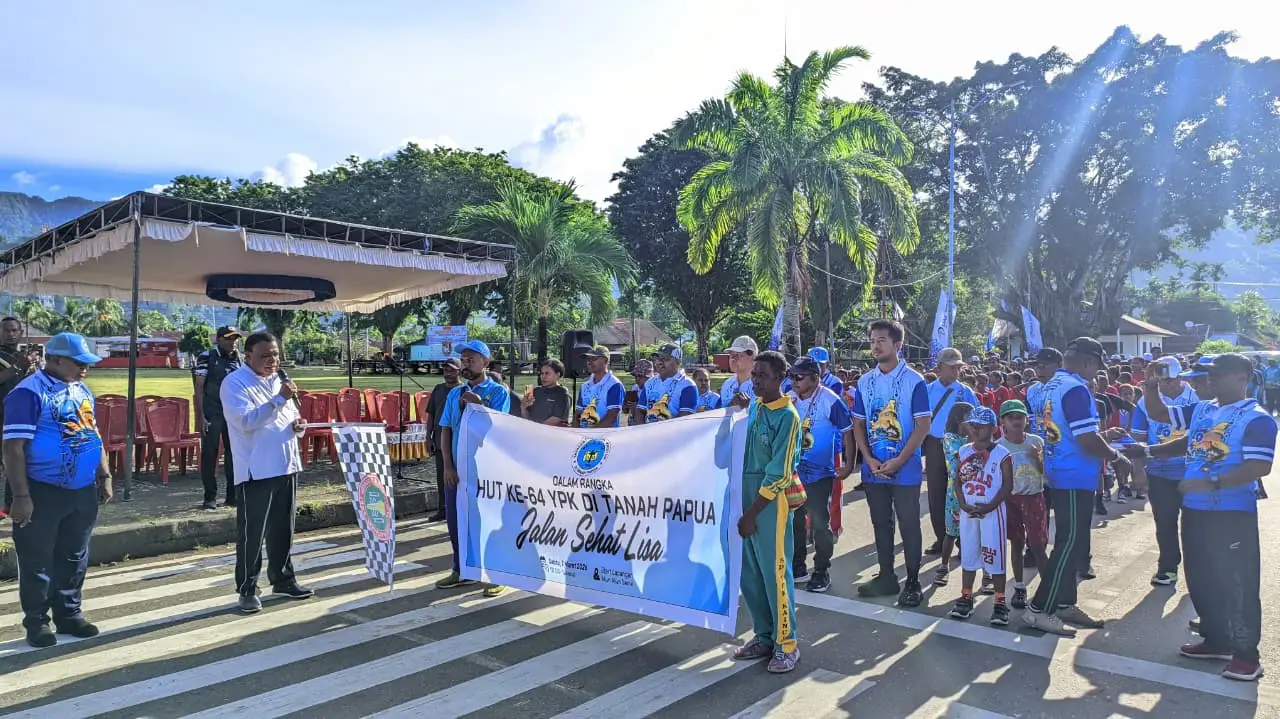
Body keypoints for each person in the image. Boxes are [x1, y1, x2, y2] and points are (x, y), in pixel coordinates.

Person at [1123, 353, 1274, 682]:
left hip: (1231, 513)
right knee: (1201, 577)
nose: (1206, 383)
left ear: (1240, 377)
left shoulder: (1257, 418)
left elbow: (1259, 467)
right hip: (1196, 510)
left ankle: (1247, 656)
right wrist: (1150, 391)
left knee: (1238, 584)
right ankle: (1217, 640)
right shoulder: (1204, 409)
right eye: (1204, 377)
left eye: (1214, 376)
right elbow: (1167, 420)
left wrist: (1210, 482)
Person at [3, 333, 112, 648]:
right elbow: (13, 449)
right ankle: (37, 621)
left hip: (80, 490)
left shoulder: (81, 390)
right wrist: (21, 497)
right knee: (38, 559)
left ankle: (69, 613)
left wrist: (103, 474)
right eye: (79, 363)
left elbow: (94, 433)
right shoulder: (28, 393)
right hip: (41, 489)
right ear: (55, 360)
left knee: (74, 554)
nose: (84, 369)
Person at [1022, 337, 1130, 636]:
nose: (1097, 373)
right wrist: (1117, 456)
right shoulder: (1075, 389)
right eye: (1097, 367)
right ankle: (1040, 608)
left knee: (1073, 541)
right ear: (1088, 362)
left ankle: (1065, 601)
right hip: (1073, 474)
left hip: (1057, 470)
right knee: (1069, 543)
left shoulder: (1045, 386)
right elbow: (1086, 438)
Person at [219, 332, 312, 614]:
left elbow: (291, 416)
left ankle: (283, 578)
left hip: (286, 464)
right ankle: (247, 588)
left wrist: (299, 426)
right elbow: (247, 421)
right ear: (248, 356)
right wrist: (278, 400)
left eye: (275, 354)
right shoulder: (234, 383)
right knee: (252, 533)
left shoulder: (280, 380)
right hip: (256, 470)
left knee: (283, 529)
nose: (272, 361)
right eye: (265, 356)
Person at [729, 350, 801, 674]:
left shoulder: (788, 416)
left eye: (763, 376)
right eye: (754, 374)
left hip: (769, 503)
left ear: (780, 379)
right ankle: (764, 635)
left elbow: (780, 472)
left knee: (775, 573)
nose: (755, 380)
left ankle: (787, 643)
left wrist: (752, 513)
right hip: (744, 496)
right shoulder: (756, 406)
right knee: (750, 572)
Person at [851, 319, 931, 607]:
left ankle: (912, 580)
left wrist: (900, 459)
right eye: (872, 340)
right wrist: (868, 459)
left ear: (898, 345)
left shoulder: (914, 380)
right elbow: (858, 424)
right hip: (874, 468)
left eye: (881, 340)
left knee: (909, 524)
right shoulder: (864, 381)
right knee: (881, 523)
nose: (875, 345)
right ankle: (886, 576)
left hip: (905, 468)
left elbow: (923, 425)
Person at [438, 339, 512, 595]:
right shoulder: (454, 393)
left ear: (485, 362)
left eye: (471, 359)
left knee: (487, 520)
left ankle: (495, 573)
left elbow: (497, 429)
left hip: (485, 470)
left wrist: (478, 404)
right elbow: (446, 429)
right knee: (456, 520)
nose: (466, 364)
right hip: (458, 469)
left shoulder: (498, 392)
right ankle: (461, 569)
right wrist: (447, 465)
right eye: (464, 360)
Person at [1129, 357, 1197, 587]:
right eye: (1161, 381)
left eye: (1170, 380)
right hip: (1160, 472)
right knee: (1165, 523)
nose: (1165, 385)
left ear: (1181, 377)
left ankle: (1198, 572)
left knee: (1195, 525)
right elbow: (1137, 438)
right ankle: (1168, 568)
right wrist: (1138, 471)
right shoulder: (1144, 402)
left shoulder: (1198, 398)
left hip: (1193, 473)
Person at [786, 357, 853, 593]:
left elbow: (848, 431)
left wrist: (848, 463)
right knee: (794, 522)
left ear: (815, 378)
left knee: (819, 524)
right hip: (793, 472)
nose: (793, 381)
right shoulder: (790, 398)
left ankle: (822, 571)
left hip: (820, 474)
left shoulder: (830, 401)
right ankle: (797, 567)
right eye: (791, 376)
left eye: (799, 377)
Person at [948, 406, 1013, 625]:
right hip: (969, 511)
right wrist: (962, 503)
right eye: (971, 425)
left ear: (993, 428)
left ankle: (1000, 602)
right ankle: (966, 596)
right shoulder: (964, 451)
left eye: (979, 426)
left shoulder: (1001, 453)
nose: (974, 429)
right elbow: (957, 480)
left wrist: (990, 506)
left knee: (994, 555)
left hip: (992, 512)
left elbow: (1007, 485)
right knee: (968, 553)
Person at [924, 348, 979, 555]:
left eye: (959, 367)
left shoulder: (966, 392)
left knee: (962, 492)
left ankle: (964, 541)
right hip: (935, 444)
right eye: (952, 367)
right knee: (937, 493)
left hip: (961, 446)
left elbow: (977, 419)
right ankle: (942, 538)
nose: (956, 371)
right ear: (939, 368)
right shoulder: (927, 391)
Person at [996, 400, 1049, 610]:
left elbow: (1046, 472)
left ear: (1027, 420)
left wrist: (1038, 459)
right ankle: (1019, 586)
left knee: (1038, 545)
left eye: (1020, 417)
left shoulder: (1036, 442)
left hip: (1035, 497)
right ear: (1003, 422)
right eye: (1011, 418)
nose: (1016, 421)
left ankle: (1048, 587)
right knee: (1016, 543)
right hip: (1011, 499)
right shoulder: (999, 446)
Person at [194, 326, 243, 510]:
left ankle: (233, 496)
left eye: (235, 339)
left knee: (234, 454)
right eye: (229, 339)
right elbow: (199, 387)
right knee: (209, 454)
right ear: (219, 339)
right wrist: (201, 416)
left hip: (233, 412)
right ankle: (210, 497)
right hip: (212, 411)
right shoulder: (206, 356)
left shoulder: (239, 358)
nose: (233, 342)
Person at [932, 401, 974, 588]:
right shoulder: (950, 438)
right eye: (969, 417)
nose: (973, 422)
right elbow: (960, 458)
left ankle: (984, 572)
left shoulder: (971, 438)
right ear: (959, 418)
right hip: (955, 492)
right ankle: (943, 565)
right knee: (951, 531)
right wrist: (974, 436)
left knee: (975, 532)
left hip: (974, 490)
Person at [0, 316, 35, 515]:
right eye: (7, 330)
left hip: (20, 419)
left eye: (15, 330)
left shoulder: (21, 356)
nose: (11, 334)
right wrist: (19, 367)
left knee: (17, 461)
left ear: (21, 333)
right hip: (1, 416)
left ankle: (10, 505)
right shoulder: (12, 359)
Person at [424, 357, 463, 522]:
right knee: (442, 476)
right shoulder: (438, 389)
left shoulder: (464, 390)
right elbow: (431, 414)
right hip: (440, 439)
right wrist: (428, 436)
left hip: (459, 440)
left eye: (452, 370)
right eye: (446, 370)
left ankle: (458, 508)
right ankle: (443, 508)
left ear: (459, 371)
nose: (448, 373)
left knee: (459, 476)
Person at [636, 344, 697, 423]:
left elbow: (685, 418)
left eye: (665, 359)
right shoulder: (649, 383)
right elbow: (640, 411)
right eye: (657, 358)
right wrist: (642, 431)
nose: (659, 362)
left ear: (678, 362)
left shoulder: (687, 385)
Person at [576, 346, 624, 428]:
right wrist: (575, 433)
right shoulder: (584, 386)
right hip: (584, 435)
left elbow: (611, 417)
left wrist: (592, 434)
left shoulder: (614, 385)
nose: (589, 362)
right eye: (588, 359)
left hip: (605, 437)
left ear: (605, 361)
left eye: (594, 359)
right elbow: (577, 413)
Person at [522, 358, 571, 425]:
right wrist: (523, 407)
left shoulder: (562, 393)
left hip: (552, 433)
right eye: (542, 373)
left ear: (558, 375)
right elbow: (527, 418)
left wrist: (536, 429)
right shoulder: (536, 391)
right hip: (532, 431)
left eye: (547, 373)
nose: (543, 376)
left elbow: (556, 419)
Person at [719, 336, 757, 407]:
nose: (733, 359)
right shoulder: (727, 384)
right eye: (731, 355)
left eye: (739, 355)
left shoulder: (763, 385)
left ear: (753, 357)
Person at [623, 359, 653, 425]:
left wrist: (638, 408)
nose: (637, 379)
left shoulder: (654, 390)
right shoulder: (635, 388)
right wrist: (626, 406)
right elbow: (626, 412)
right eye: (635, 376)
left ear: (649, 377)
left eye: (640, 376)